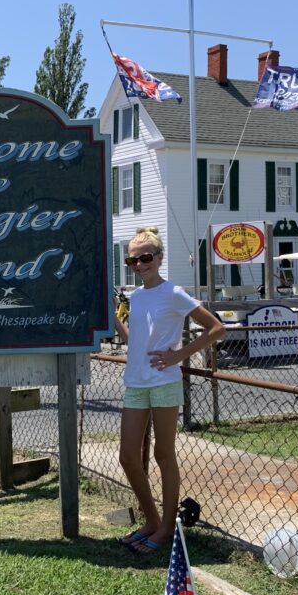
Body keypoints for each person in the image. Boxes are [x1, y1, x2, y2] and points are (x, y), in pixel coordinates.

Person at [114, 227, 225, 554]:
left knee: (164, 454)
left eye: (146, 257)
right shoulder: (136, 296)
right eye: (133, 259)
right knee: (127, 456)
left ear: (159, 258)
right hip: (135, 382)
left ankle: (165, 529)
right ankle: (151, 520)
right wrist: (112, 314)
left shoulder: (174, 293)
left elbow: (216, 328)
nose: (139, 264)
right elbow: (132, 339)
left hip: (164, 382)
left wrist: (178, 354)